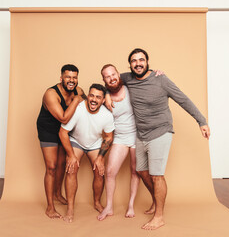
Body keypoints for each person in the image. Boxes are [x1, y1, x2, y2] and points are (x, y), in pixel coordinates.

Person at [107, 48, 210, 230]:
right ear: (130, 64)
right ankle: (157, 201)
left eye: (141, 60)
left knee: (156, 175)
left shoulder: (160, 79)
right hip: (141, 134)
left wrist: (201, 121)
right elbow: (110, 80)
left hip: (161, 131)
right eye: (134, 61)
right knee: (141, 171)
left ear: (147, 62)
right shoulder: (128, 78)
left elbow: (183, 99)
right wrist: (106, 93)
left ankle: (159, 216)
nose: (138, 63)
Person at [97, 64, 154, 221]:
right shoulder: (103, 96)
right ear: (104, 80)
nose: (112, 78)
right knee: (110, 172)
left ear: (118, 73)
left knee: (135, 171)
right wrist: (106, 94)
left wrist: (157, 72)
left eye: (113, 74)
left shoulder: (130, 86)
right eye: (107, 76)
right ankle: (109, 207)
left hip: (137, 136)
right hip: (120, 138)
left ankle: (130, 205)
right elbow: (91, 100)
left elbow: (143, 73)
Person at [59, 84, 115, 223]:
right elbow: (63, 132)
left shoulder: (107, 115)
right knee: (71, 169)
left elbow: (108, 137)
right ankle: (70, 208)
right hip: (76, 141)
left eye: (98, 97)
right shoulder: (78, 109)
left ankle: (96, 202)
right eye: (91, 95)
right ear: (88, 96)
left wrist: (101, 157)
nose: (93, 99)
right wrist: (71, 155)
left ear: (103, 100)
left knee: (99, 171)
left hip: (95, 144)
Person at [36, 64, 86, 219]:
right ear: (61, 78)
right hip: (49, 130)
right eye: (68, 77)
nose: (71, 80)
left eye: (74, 77)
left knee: (63, 164)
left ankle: (57, 194)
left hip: (64, 131)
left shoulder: (79, 91)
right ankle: (50, 207)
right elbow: (63, 117)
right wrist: (77, 99)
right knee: (51, 167)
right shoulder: (51, 94)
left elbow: (89, 103)